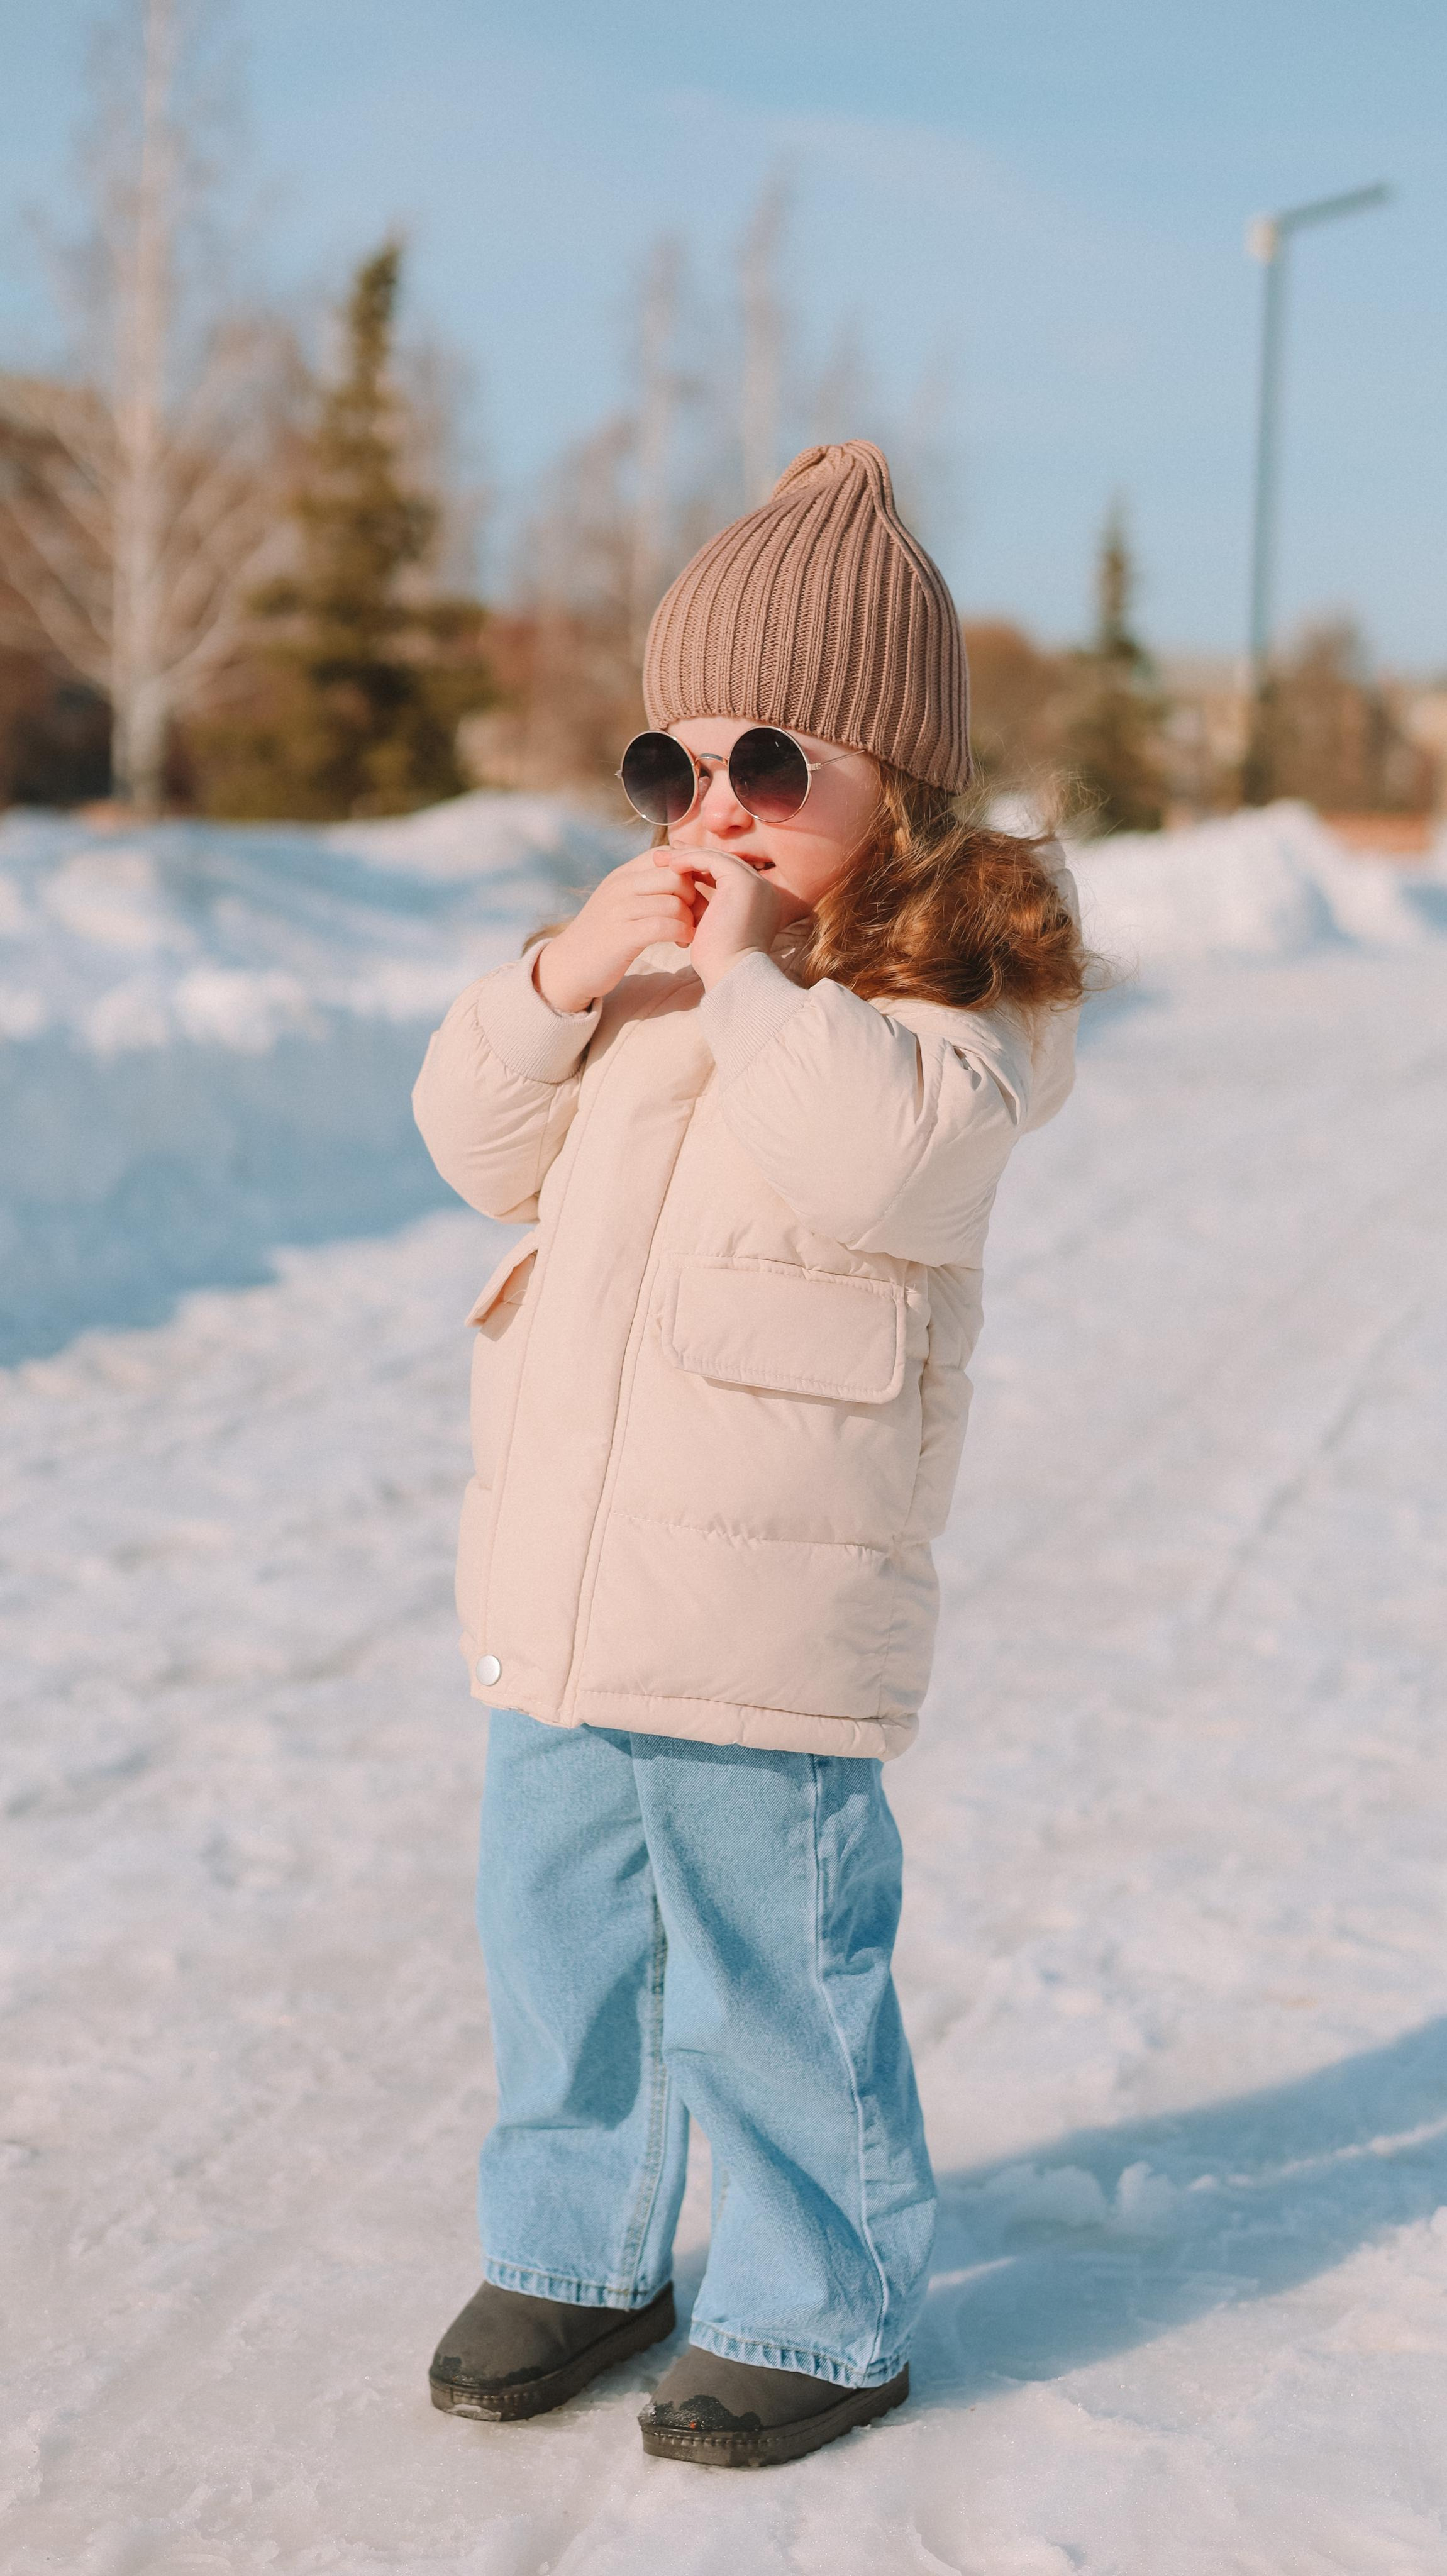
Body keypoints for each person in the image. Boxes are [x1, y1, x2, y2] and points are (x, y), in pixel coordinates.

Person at [412, 441, 1087, 2468]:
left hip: (766, 1607)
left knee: (772, 1967)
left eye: (771, 768)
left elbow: (870, 1157)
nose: (718, 814)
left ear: (898, 782)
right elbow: (477, 1149)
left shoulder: (951, 1000)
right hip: (564, 1579)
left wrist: (737, 973)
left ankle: (820, 2299)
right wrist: (560, 980)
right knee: (557, 1943)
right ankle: (575, 2243)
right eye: (673, 770)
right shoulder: (647, 971)